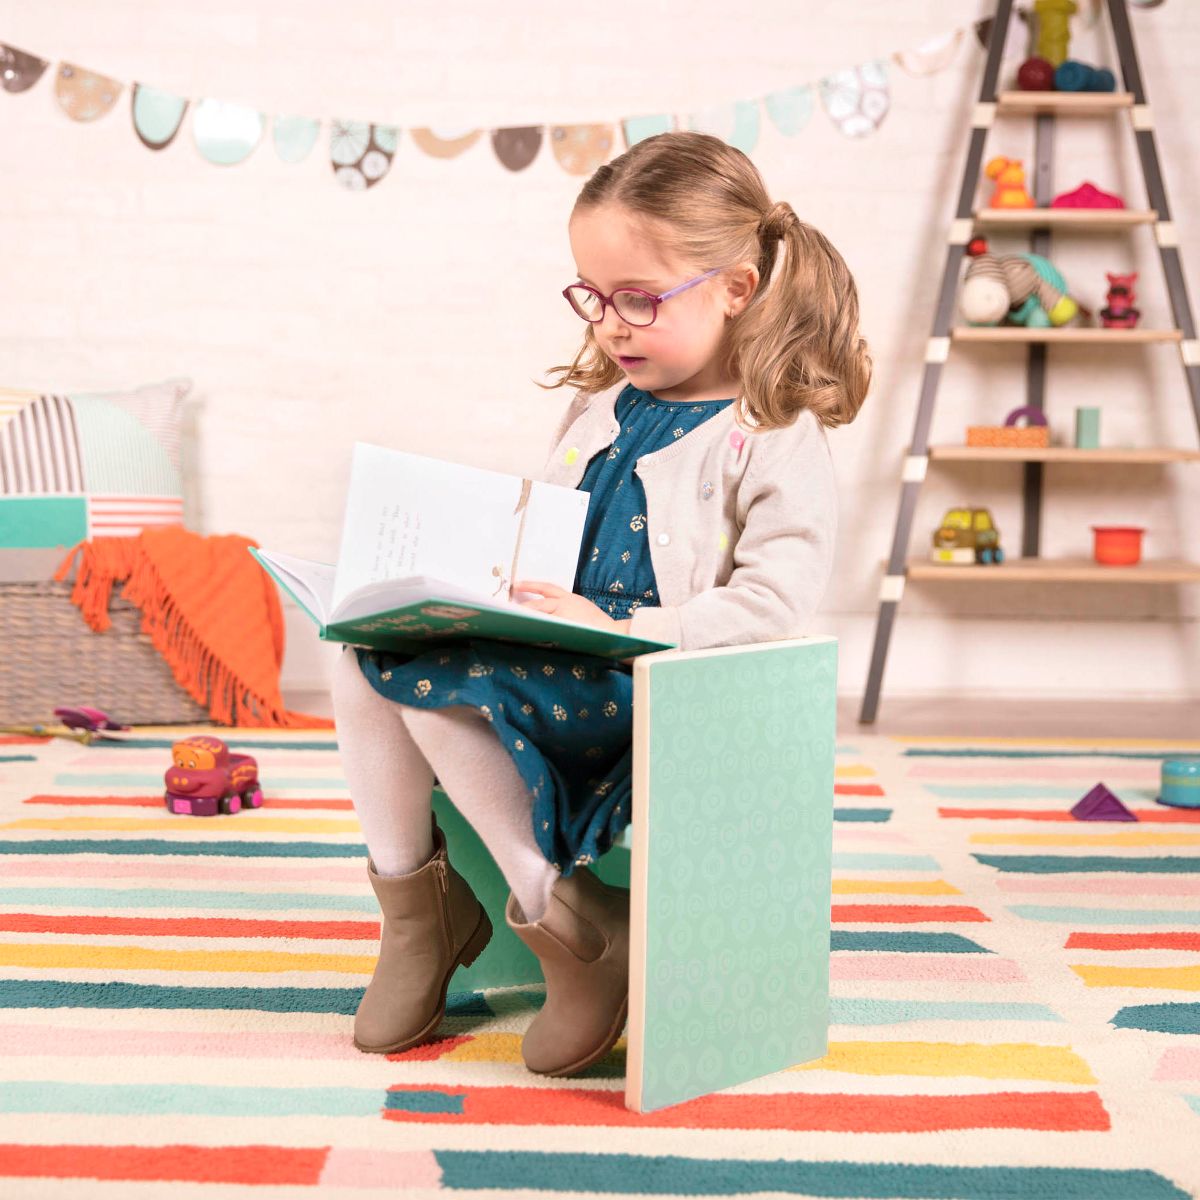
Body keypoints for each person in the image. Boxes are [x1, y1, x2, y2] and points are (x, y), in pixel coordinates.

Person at [332, 130, 870, 1077]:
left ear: (735, 289)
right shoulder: (599, 409)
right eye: (592, 296)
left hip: (655, 693)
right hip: (564, 658)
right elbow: (554, 542)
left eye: (637, 300)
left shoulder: (770, 436)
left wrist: (622, 630)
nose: (610, 326)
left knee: (447, 688)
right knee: (360, 655)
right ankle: (418, 913)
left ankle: (563, 918)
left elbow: (773, 606)